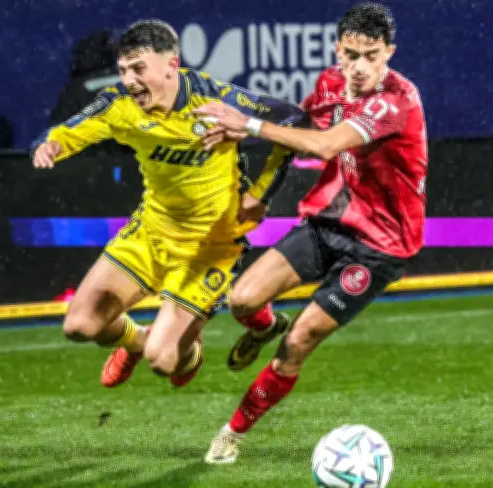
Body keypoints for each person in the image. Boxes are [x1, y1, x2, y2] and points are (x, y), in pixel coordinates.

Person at [194, 2, 428, 464]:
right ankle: (266, 324)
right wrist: (261, 193)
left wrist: (248, 125)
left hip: (378, 247)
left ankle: (232, 434)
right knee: (241, 301)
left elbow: (324, 145)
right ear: (338, 49)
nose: (359, 67)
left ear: (389, 53)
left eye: (371, 56)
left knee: (298, 342)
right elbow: (293, 131)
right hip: (327, 224)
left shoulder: (396, 100)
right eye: (350, 55)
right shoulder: (328, 84)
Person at [31, 19, 302, 390]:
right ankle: (138, 341)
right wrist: (50, 146)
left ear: (172, 64)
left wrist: (261, 193)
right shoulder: (119, 104)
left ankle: (185, 346)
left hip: (210, 245)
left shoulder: (213, 98)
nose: (129, 80)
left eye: (138, 69)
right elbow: (64, 131)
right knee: (79, 327)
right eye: (123, 70)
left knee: (164, 363)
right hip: (151, 234)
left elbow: (292, 119)